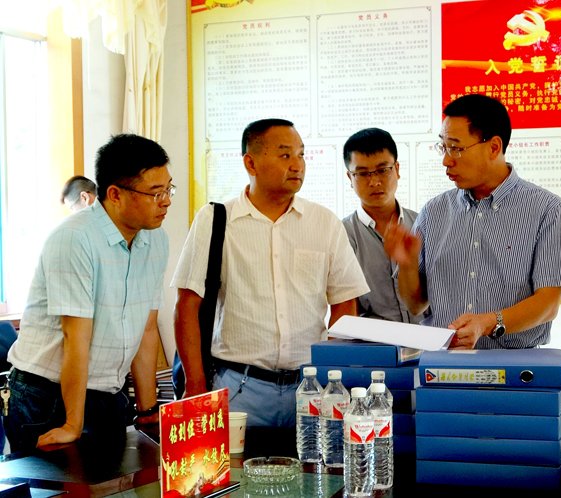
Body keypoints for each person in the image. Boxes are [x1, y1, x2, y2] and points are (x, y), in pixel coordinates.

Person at [172, 118, 369, 428]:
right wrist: (195, 383)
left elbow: (344, 303)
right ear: (250, 163)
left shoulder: (323, 223)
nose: (297, 165)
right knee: (236, 461)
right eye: (284, 154)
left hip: (310, 387)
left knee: (312, 460)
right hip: (238, 387)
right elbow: (187, 305)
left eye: (301, 154)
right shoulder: (215, 220)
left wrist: (332, 376)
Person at [3, 134, 173, 452]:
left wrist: (148, 410)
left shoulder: (156, 240)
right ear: (115, 194)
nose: (166, 201)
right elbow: (76, 338)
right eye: (155, 193)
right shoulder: (75, 238)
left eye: (168, 189)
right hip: (47, 396)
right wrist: (72, 424)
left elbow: (147, 329)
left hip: (108, 393)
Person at [384, 94, 561, 350]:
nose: (446, 160)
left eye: (456, 148)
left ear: (493, 147)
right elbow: (416, 305)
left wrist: (488, 323)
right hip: (442, 361)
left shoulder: (547, 210)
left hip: (513, 363)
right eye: (443, 147)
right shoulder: (434, 212)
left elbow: (547, 304)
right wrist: (408, 265)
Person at [342, 128, 424, 324]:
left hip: (428, 337)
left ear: (397, 169)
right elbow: (346, 308)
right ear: (350, 178)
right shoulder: (341, 234)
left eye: (382, 170)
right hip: (371, 341)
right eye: (362, 173)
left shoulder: (423, 223)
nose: (374, 182)